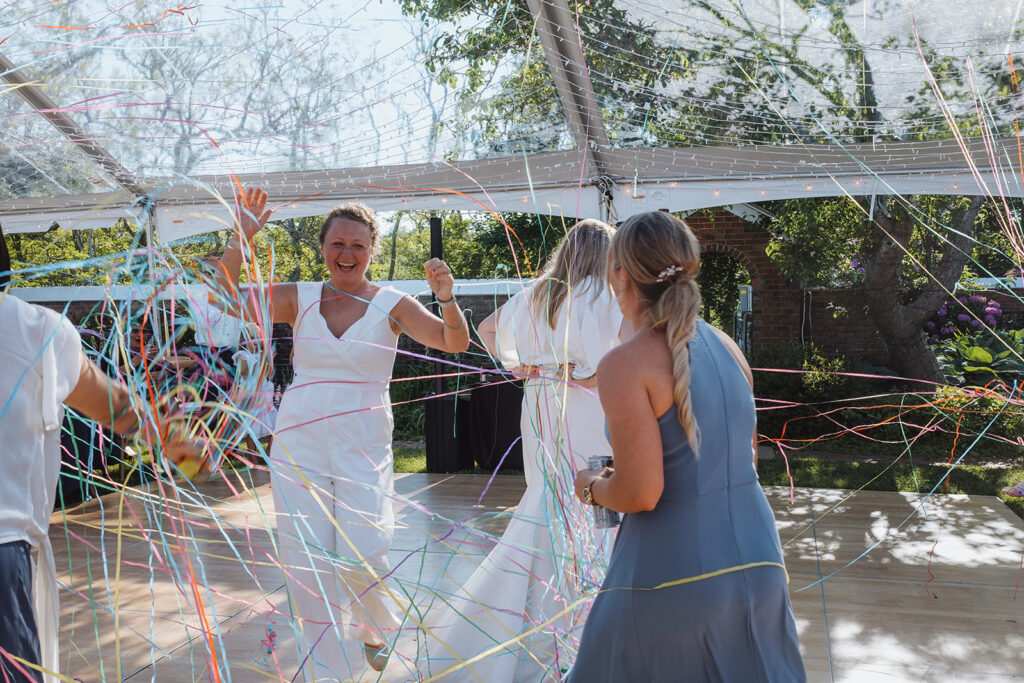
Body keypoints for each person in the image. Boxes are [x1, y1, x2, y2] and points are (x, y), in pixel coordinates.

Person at [212, 188, 469, 679]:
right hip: (299, 433)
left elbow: (454, 342)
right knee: (306, 559)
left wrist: (447, 300)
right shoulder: (298, 297)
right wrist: (241, 235)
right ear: (323, 248)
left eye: (357, 245)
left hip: (362, 432)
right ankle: (326, 672)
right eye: (337, 244)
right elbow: (222, 297)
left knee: (364, 546)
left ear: (372, 249)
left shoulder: (394, 304)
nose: (346, 254)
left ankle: (376, 625)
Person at [567, 211, 805, 682]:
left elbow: (641, 493)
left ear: (620, 274)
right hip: (759, 562)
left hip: (672, 571)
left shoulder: (624, 364)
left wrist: (592, 486)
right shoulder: (728, 347)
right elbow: (738, 457)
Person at [422, 219, 624, 681]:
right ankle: (587, 618)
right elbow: (624, 350)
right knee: (599, 504)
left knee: (548, 501)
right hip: (590, 411)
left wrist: (524, 368)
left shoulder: (539, 292)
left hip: (542, 410)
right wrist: (590, 376)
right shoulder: (605, 296)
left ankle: (538, 614)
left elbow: (489, 329)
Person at [0, 224, 200, 683]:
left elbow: (116, 406)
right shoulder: (36, 330)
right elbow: (115, 406)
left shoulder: (39, 332)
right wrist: (178, 446)